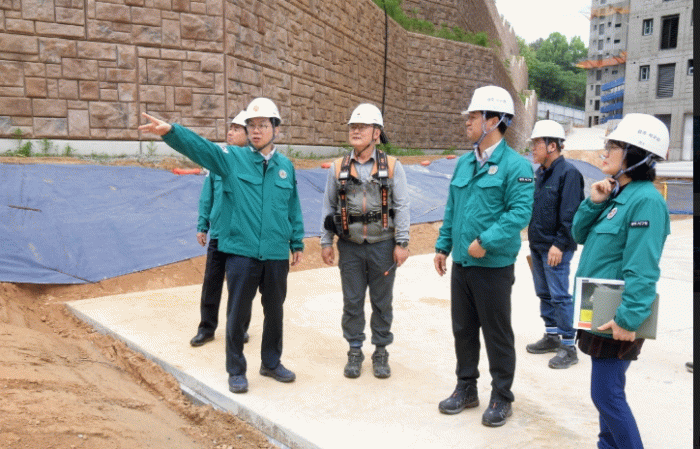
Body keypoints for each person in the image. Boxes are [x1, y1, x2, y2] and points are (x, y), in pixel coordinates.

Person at [139, 97, 305, 394]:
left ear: (276, 129)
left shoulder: (286, 167)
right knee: (237, 314)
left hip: (275, 252)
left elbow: (292, 206)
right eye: (251, 125)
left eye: (263, 125)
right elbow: (202, 149)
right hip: (242, 251)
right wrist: (172, 132)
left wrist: (297, 241)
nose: (256, 131)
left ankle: (271, 362)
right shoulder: (232, 158)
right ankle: (236, 371)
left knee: (274, 312)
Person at [433, 85, 534, 427]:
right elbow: (453, 208)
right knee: (463, 329)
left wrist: (486, 241)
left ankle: (502, 396)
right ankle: (466, 388)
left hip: (492, 265)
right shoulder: (464, 163)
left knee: (496, 333)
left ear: (493, 121)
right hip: (463, 263)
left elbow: (519, 213)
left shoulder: (516, 166)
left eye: (474, 116)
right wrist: (443, 246)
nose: (467, 121)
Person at [572, 113, 670, 449]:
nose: (605, 152)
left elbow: (643, 268)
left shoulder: (646, 201)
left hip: (617, 314)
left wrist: (630, 318)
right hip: (598, 308)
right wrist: (593, 201)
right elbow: (578, 234)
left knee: (606, 396)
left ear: (636, 154)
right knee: (609, 395)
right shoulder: (615, 194)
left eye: (613, 146)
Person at [319, 103, 410, 379]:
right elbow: (328, 206)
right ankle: (355, 350)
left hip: (383, 245)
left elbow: (402, 205)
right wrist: (326, 242)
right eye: (352, 127)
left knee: (382, 301)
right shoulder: (338, 168)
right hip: (350, 246)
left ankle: (381, 351)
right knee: (352, 300)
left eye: (362, 127)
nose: (355, 131)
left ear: (376, 133)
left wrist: (402, 242)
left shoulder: (392, 167)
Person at [525, 120, 584, 369]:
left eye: (536, 143)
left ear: (552, 146)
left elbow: (571, 214)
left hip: (556, 248)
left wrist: (559, 245)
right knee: (544, 293)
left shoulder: (569, 173)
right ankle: (551, 335)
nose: (532, 148)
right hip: (538, 245)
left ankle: (569, 346)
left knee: (560, 296)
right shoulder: (540, 173)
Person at [190, 110, 249, 347]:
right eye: (230, 128)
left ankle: (239, 329)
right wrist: (202, 225)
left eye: (236, 129)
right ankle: (206, 329)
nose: (230, 132)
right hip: (219, 235)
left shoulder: (254, 164)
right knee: (211, 283)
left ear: (248, 134)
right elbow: (208, 196)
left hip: (243, 237)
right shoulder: (217, 162)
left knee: (240, 286)